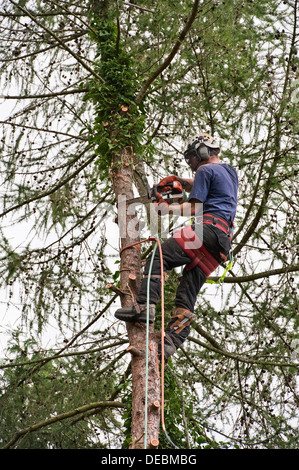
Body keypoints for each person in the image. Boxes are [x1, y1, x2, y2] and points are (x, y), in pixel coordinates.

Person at [114, 133, 238, 361]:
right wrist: (179, 182)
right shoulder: (229, 172)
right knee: (186, 294)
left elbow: (193, 209)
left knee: (159, 256)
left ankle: (144, 307)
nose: (191, 163)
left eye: (192, 157)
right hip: (221, 244)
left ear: (202, 151)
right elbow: (202, 184)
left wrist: (166, 208)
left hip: (206, 231)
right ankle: (172, 340)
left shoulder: (204, 170)